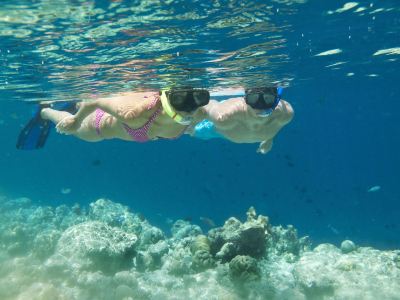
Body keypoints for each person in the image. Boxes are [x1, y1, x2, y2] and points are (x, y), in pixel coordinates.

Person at [16, 88, 210, 149]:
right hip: (97, 127)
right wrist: (75, 120)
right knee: (73, 128)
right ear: (171, 111)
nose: (189, 117)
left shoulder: (197, 112)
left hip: (125, 124)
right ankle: (45, 111)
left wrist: (190, 127)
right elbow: (96, 101)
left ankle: (72, 105)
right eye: (185, 117)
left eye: (189, 116)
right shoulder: (135, 115)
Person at [189, 87, 294, 154]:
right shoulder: (223, 117)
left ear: (276, 99)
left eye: (268, 99)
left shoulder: (285, 114)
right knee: (193, 132)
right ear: (245, 99)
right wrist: (190, 123)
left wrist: (269, 139)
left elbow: (274, 125)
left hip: (233, 131)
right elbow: (207, 105)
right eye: (253, 99)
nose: (260, 106)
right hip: (218, 130)